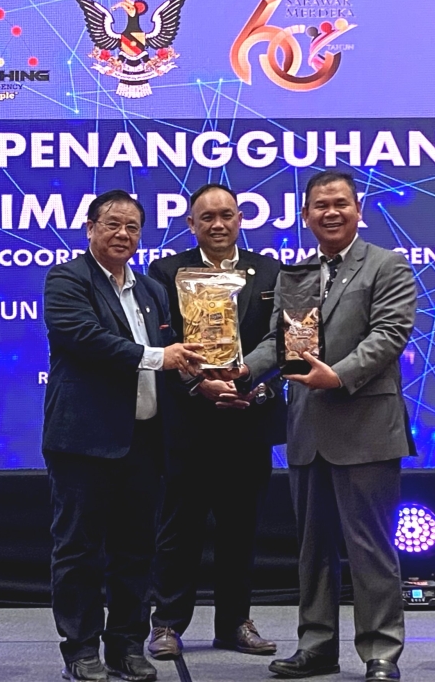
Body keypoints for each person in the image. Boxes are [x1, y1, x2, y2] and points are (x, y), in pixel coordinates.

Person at [209, 170, 416, 682]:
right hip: (307, 430)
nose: (331, 212)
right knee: (313, 551)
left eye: (340, 203)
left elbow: (389, 335)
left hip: (367, 429)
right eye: (320, 205)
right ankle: (317, 646)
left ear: (358, 209)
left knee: (370, 548)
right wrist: (243, 370)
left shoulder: (387, 265)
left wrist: (337, 375)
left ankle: (381, 651)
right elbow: (278, 344)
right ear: (305, 216)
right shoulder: (295, 275)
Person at [43, 189, 205, 682]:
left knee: (136, 551)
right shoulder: (67, 279)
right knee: (79, 551)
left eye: (132, 226)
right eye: (112, 223)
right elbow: (86, 339)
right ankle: (80, 650)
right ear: (89, 228)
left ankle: (127, 646)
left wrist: (205, 379)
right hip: (84, 442)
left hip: (144, 441)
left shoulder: (152, 290)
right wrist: (160, 357)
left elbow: (174, 356)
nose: (123, 234)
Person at [145, 183, 286, 660]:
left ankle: (234, 623)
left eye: (227, 214)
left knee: (240, 529)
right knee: (179, 528)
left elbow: (283, 339)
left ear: (241, 218)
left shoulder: (270, 271)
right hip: (189, 422)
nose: (218, 224)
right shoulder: (166, 272)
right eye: (207, 217)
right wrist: (198, 384)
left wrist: (253, 385)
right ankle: (166, 623)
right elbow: (160, 339)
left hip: (249, 417)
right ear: (191, 224)